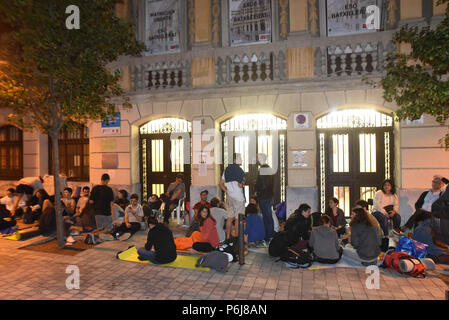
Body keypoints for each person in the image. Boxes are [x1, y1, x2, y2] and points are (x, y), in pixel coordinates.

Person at [219, 153, 245, 242]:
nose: (241, 159)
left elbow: (221, 183)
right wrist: (243, 182)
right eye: (239, 158)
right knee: (238, 218)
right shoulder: (240, 170)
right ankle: (237, 238)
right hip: (238, 198)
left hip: (229, 196)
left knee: (229, 217)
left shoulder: (226, 170)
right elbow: (240, 185)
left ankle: (228, 237)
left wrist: (226, 190)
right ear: (234, 160)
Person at [254, 153, 275, 242]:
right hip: (268, 196)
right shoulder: (268, 168)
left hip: (264, 197)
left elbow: (264, 184)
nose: (256, 159)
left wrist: (257, 191)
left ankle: (268, 237)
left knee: (267, 218)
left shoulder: (263, 169)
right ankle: (268, 236)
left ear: (260, 158)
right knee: (267, 217)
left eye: (257, 157)